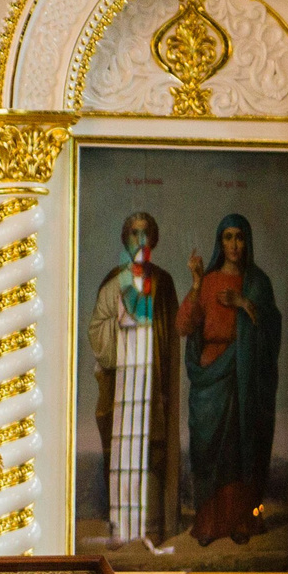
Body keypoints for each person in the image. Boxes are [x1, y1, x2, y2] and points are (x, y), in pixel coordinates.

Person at [175, 212, 282, 546]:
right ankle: (208, 522)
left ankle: (241, 521)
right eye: (228, 237)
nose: (234, 244)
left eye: (240, 237)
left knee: (238, 448)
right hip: (210, 374)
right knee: (207, 449)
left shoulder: (257, 283)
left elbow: (272, 328)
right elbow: (184, 327)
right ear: (219, 242)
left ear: (247, 241)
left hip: (243, 374)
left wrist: (243, 303)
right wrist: (194, 283)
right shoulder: (206, 282)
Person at [87, 212, 178, 550]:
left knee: (149, 449)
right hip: (123, 381)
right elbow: (97, 327)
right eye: (134, 233)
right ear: (125, 239)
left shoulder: (163, 282)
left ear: (153, 240)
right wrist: (119, 329)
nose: (140, 240)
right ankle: (121, 528)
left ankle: (150, 526)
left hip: (151, 381)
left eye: (145, 234)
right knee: (125, 451)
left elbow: (170, 332)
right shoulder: (115, 282)